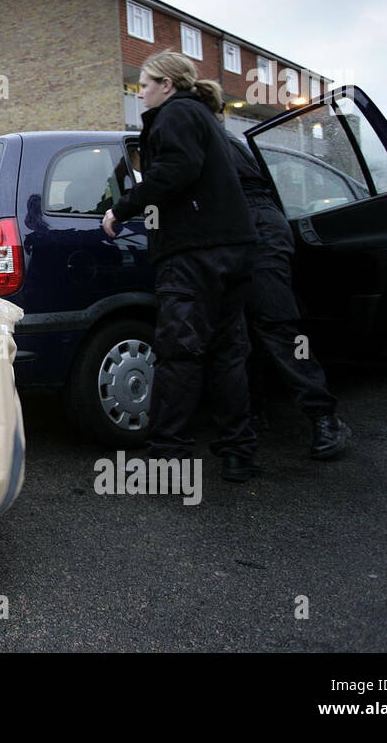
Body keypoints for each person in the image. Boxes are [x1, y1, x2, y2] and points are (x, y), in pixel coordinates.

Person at [102, 51, 260, 481]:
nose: (141, 95)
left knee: (179, 353)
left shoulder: (174, 115)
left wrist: (124, 207)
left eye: (145, 86)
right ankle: (238, 453)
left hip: (193, 253)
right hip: (233, 248)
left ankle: (165, 457)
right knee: (228, 352)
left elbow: (177, 169)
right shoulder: (206, 119)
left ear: (166, 86)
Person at [217, 120, 352, 460]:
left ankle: (324, 418)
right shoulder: (206, 135)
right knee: (240, 330)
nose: (143, 94)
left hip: (255, 227)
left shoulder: (206, 135)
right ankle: (253, 413)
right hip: (234, 230)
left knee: (275, 326)